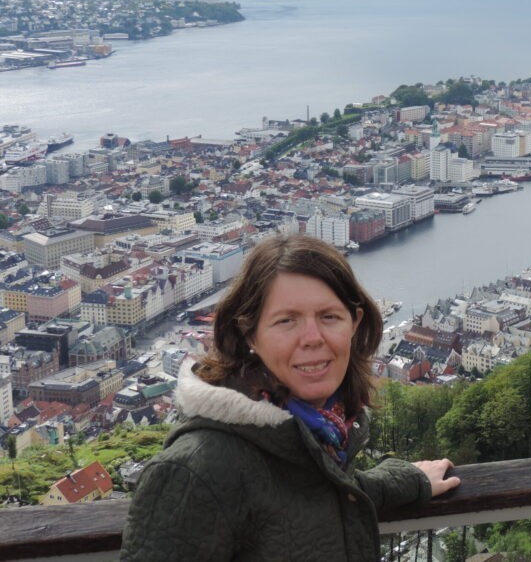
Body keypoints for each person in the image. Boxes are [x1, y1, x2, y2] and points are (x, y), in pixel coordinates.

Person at [121, 234, 460, 561]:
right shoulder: (192, 472)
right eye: (286, 321)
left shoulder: (323, 430)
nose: (312, 338)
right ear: (249, 333)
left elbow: (318, 495)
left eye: (329, 316)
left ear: (354, 323)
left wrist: (409, 481)